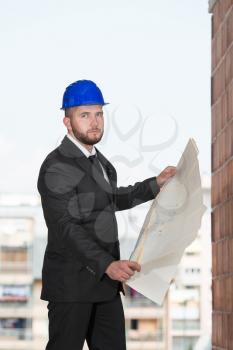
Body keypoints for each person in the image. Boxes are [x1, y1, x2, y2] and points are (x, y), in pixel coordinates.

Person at [37, 79, 176, 350]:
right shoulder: (56, 166)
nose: (95, 122)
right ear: (67, 122)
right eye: (85, 115)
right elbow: (66, 228)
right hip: (72, 287)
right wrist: (107, 265)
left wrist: (154, 185)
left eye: (99, 113)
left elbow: (109, 199)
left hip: (104, 286)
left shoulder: (101, 162)